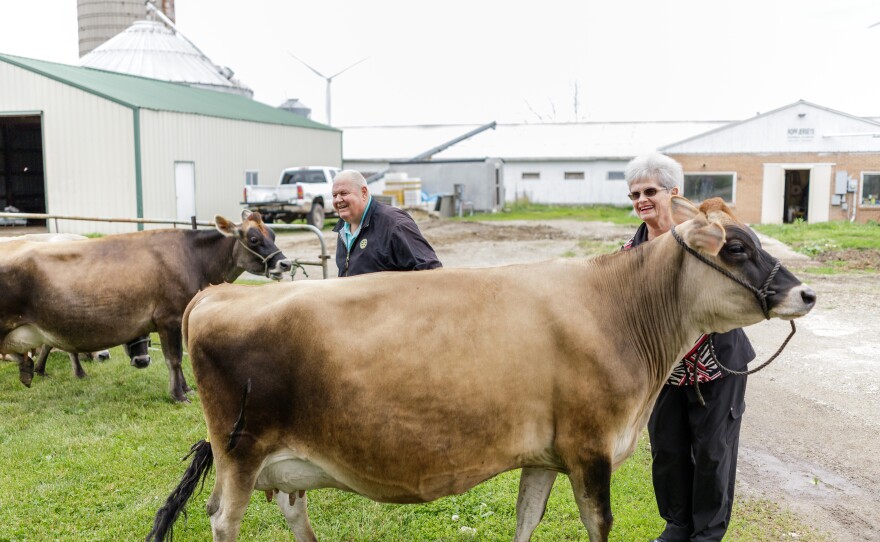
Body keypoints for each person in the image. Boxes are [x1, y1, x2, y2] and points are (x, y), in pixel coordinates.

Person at [621, 152, 755, 542]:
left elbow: (750, 256)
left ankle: (707, 535)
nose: (641, 200)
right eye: (634, 195)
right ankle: (677, 526)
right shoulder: (630, 253)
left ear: (673, 192)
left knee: (713, 452)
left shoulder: (708, 235)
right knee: (668, 451)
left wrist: (728, 225)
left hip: (718, 366)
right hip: (664, 370)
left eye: (649, 191)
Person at [331, 170, 442, 277]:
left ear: (363, 193)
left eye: (343, 193)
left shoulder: (395, 224)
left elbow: (431, 273)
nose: (338, 200)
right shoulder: (343, 229)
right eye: (334, 195)